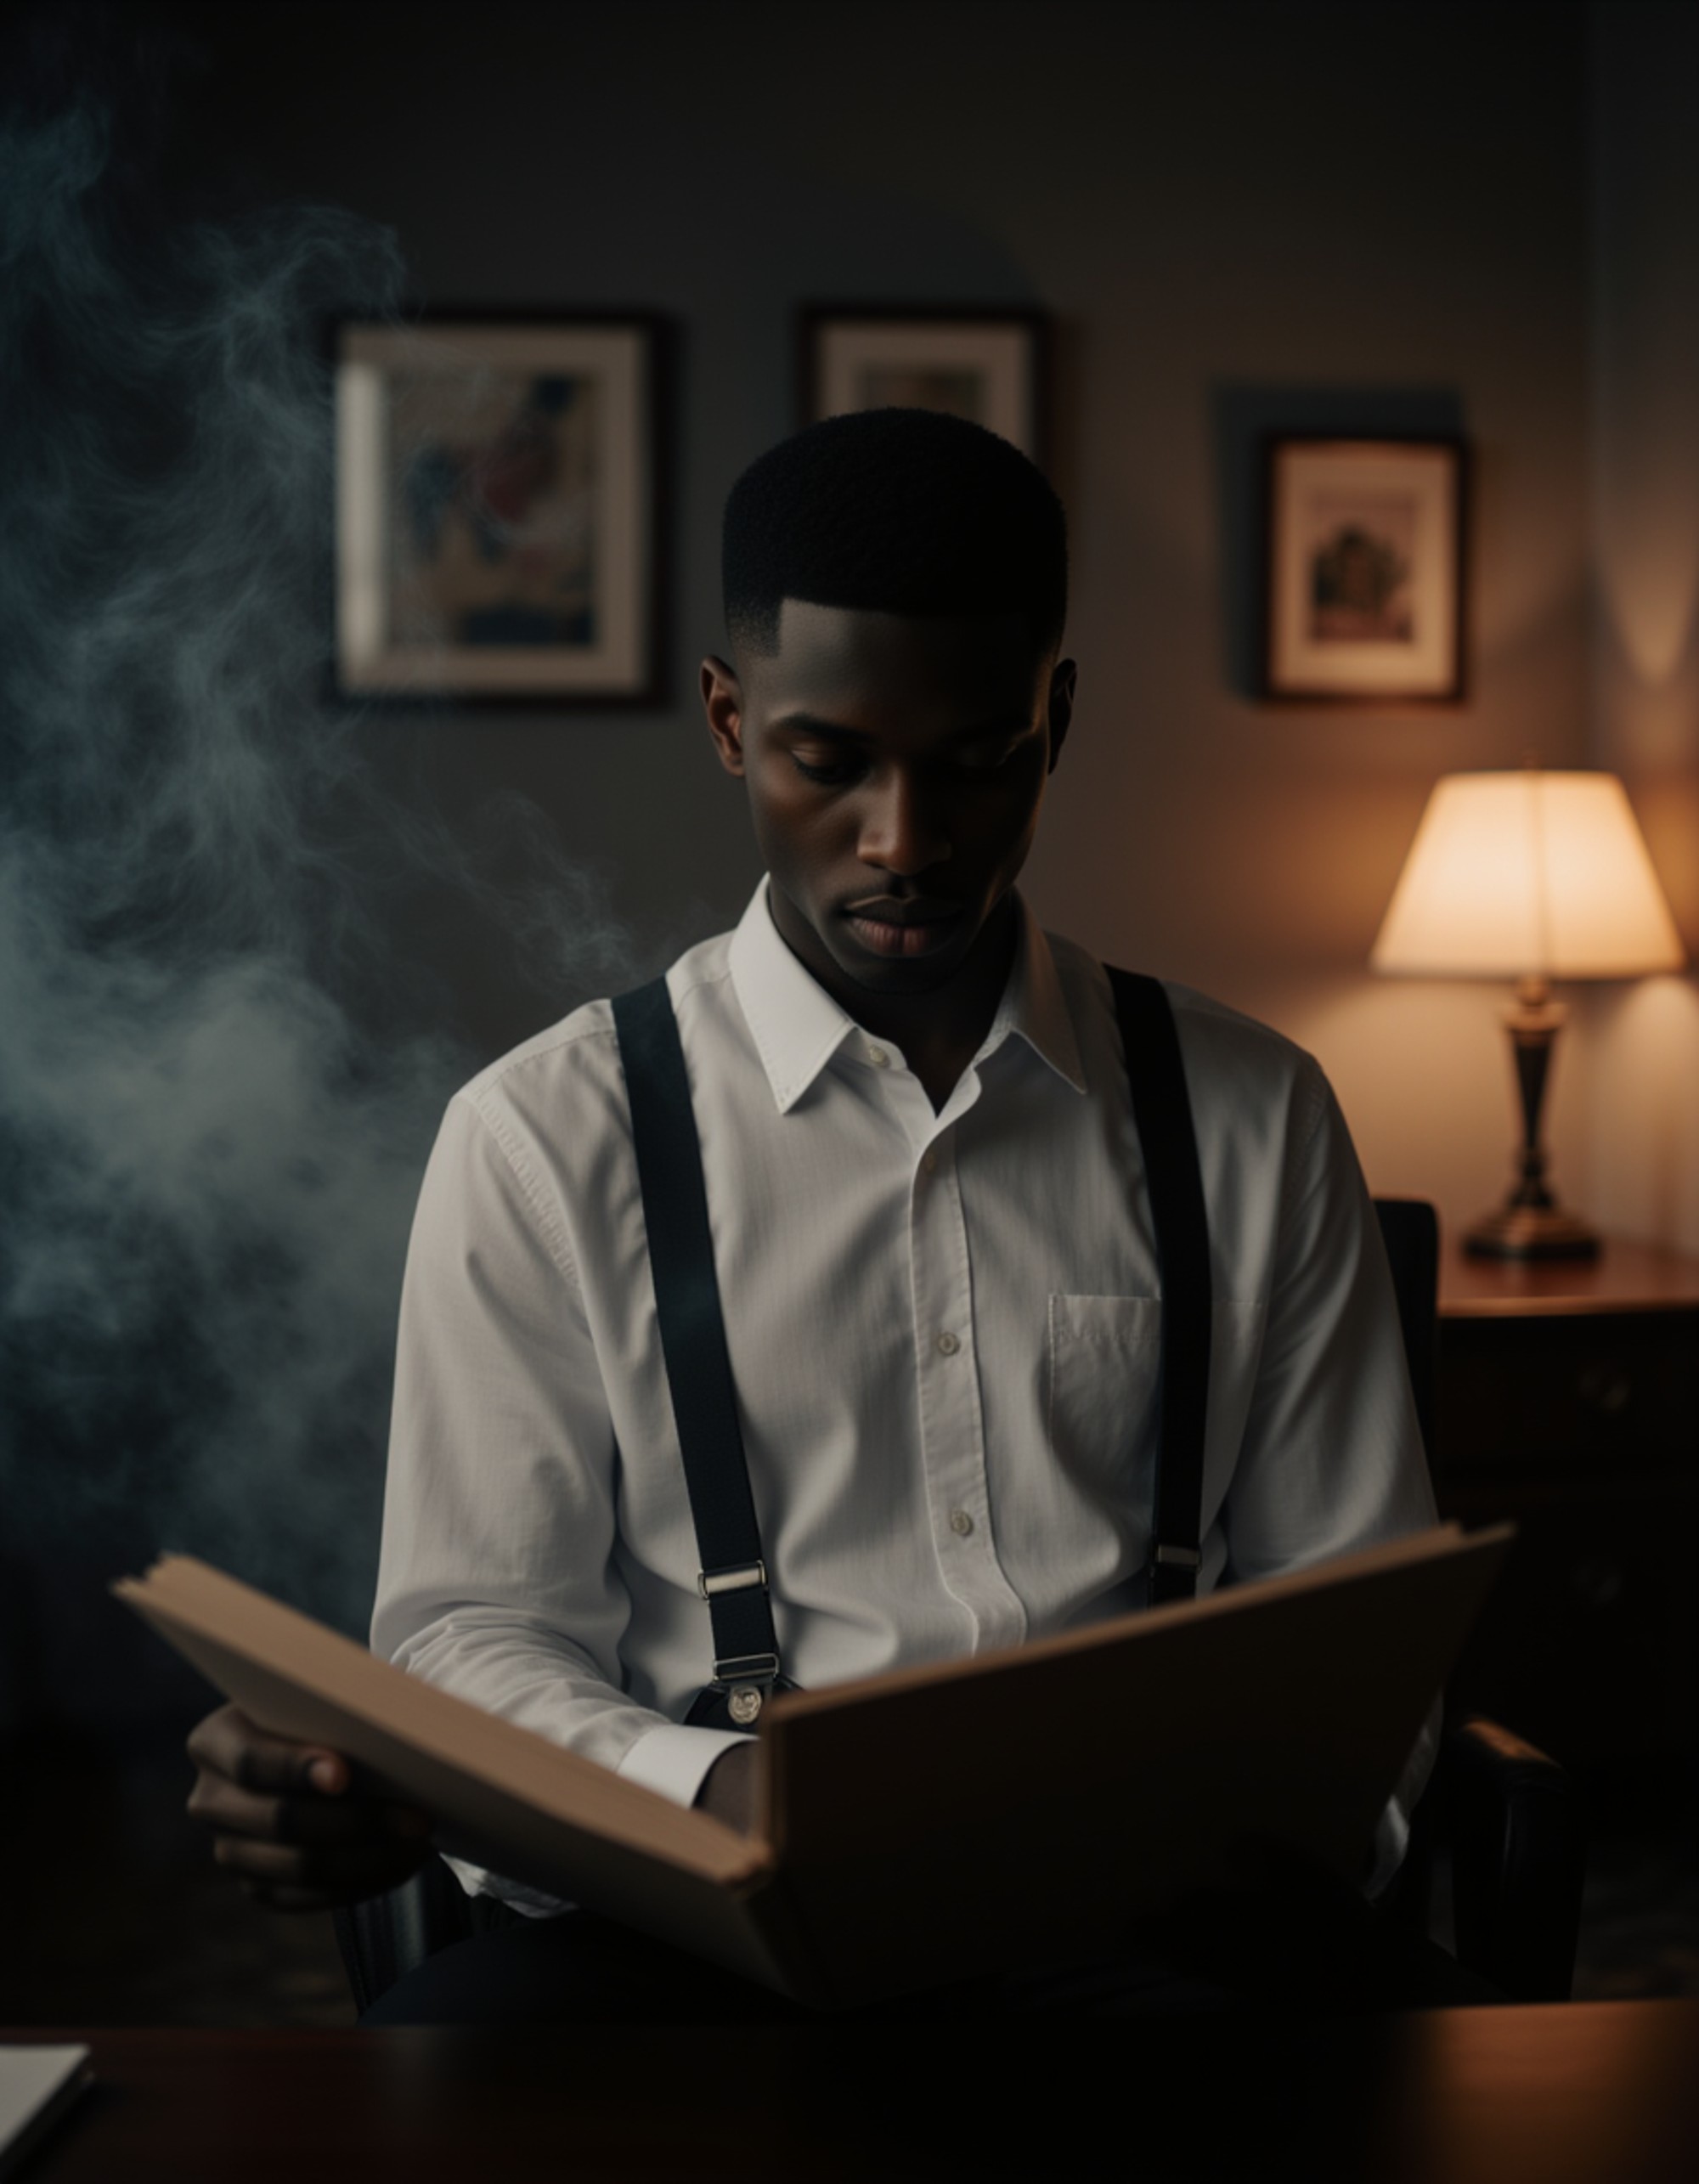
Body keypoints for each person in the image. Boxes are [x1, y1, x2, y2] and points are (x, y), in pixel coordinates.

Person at [185, 407, 1442, 2018]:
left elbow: (1360, 1624)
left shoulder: (1254, 1114)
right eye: (828, 760)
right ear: (728, 720)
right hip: (699, 1933)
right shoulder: (535, 1141)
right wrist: (718, 1798)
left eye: (978, 758)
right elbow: (472, 1637)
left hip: (1166, 1944)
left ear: (1055, 720)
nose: (904, 842)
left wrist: (1273, 1836)